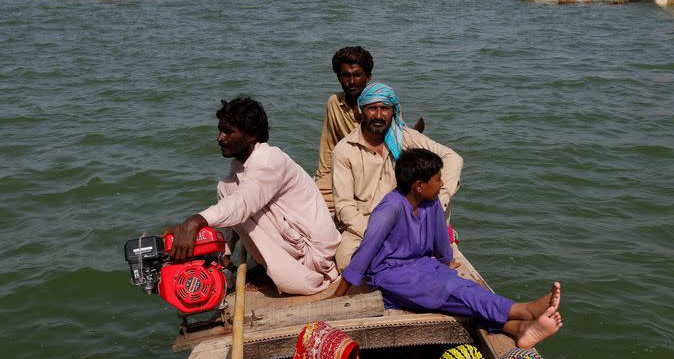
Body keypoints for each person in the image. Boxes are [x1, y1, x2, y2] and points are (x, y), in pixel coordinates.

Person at [331, 148, 563, 350]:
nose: (442, 183)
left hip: (421, 266)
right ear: (419, 186)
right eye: (438, 179)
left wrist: (445, 262)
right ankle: (523, 310)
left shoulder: (430, 202)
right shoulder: (390, 209)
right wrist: (337, 297)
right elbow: (365, 253)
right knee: (453, 289)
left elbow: (441, 240)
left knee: (463, 287)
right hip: (390, 275)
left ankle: (519, 328)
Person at [163, 97, 341, 295]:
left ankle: (275, 270)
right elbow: (234, 208)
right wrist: (215, 249)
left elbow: (243, 203)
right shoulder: (237, 172)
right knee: (227, 188)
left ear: (251, 136)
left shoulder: (269, 159)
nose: (220, 138)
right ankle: (232, 261)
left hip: (314, 256)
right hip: (295, 246)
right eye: (220, 131)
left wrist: (195, 221)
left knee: (235, 200)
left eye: (228, 132)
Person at [331, 82, 463, 270]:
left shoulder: (406, 137)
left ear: (393, 111)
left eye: (384, 109)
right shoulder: (344, 150)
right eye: (372, 109)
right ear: (361, 111)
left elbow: (452, 158)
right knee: (346, 261)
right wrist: (378, 233)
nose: (378, 115)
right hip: (368, 223)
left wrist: (438, 199)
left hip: (411, 217)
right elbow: (344, 207)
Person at [315, 46, 374, 213]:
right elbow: (328, 146)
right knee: (312, 203)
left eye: (357, 75)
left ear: (368, 77)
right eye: (346, 76)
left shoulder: (381, 103)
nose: (352, 81)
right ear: (339, 78)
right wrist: (323, 180)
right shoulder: (334, 102)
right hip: (344, 171)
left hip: (376, 171)